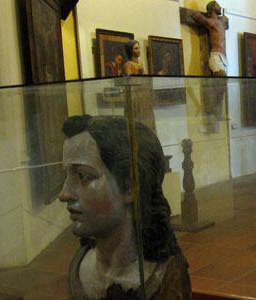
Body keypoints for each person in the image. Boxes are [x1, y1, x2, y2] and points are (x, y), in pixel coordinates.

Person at [60, 115, 191, 300]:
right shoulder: (79, 265)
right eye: (66, 176)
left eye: (83, 176)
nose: (64, 194)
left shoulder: (165, 276)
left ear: (130, 187)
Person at [193, 1, 229, 77]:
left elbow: (226, 24)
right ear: (212, 7)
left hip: (224, 58)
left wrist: (224, 19)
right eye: (217, 5)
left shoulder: (221, 22)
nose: (220, 7)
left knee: (223, 85)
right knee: (222, 78)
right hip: (216, 56)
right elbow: (196, 17)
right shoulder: (211, 22)